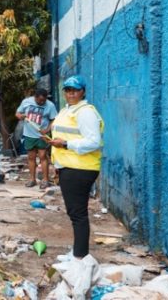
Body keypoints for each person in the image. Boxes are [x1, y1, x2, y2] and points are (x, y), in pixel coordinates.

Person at [46, 75, 104, 259]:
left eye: (75, 90)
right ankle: (78, 252)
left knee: (78, 214)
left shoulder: (85, 112)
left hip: (80, 168)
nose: (71, 94)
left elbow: (94, 141)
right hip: (69, 166)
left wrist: (65, 144)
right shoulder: (67, 110)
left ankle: (80, 257)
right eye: (68, 90)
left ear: (83, 91)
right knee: (74, 212)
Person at [16, 88, 58, 188]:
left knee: (43, 156)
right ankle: (32, 179)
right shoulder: (26, 102)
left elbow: (54, 120)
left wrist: (47, 130)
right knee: (31, 157)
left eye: (43, 101)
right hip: (29, 135)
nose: (42, 103)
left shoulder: (50, 105)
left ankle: (45, 180)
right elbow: (17, 113)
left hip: (42, 136)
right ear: (35, 97)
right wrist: (21, 116)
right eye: (39, 101)